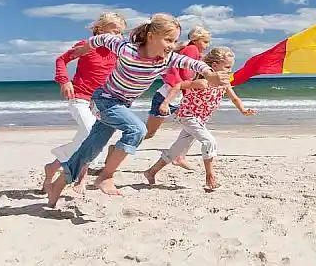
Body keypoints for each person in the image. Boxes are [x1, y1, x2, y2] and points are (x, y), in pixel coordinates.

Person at [45, 13, 229, 207]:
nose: (172, 45)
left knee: (90, 150)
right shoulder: (126, 50)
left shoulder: (167, 59)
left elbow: (194, 63)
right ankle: (105, 176)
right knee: (137, 130)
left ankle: (58, 184)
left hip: (121, 105)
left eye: (174, 41)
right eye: (168, 40)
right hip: (104, 100)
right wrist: (84, 49)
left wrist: (211, 75)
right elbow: (102, 39)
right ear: (151, 37)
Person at [143, 47, 256, 191]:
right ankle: (210, 177)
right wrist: (165, 103)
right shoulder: (202, 82)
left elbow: (234, 98)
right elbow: (178, 85)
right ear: (214, 66)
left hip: (200, 120)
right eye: (227, 67)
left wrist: (244, 110)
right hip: (188, 116)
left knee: (177, 149)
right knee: (209, 141)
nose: (229, 70)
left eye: (231, 67)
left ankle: (151, 172)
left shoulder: (225, 83)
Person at [42, 12, 127, 193]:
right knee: (89, 133)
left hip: (101, 102)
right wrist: (64, 80)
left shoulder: (117, 52)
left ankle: (57, 168)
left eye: (121, 33)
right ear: (100, 29)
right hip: (79, 98)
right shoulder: (85, 46)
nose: (118, 36)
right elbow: (62, 60)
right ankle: (64, 168)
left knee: (89, 137)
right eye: (114, 31)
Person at [144, 26, 211, 170]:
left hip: (176, 98)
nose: (207, 45)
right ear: (196, 40)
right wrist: (196, 84)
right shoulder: (192, 50)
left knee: (194, 126)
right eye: (205, 41)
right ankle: (119, 147)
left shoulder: (193, 51)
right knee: (149, 133)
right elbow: (186, 76)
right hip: (166, 98)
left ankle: (180, 157)